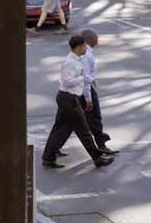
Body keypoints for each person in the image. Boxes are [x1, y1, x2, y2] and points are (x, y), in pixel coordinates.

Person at [41, 35, 114, 169]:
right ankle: (97, 158)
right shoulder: (71, 62)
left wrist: (88, 81)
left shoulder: (77, 60)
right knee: (84, 131)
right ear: (79, 47)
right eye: (85, 46)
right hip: (69, 99)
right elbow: (67, 82)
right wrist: (82, 79)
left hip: (66, 98)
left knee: (59, 129)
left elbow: (83, 78)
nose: (86, 48)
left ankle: (48, 158)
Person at [58, 30, 118, 157]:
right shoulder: (86, 55)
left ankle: (54, 147)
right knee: (94, 119)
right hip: (84, 92)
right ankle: (100, 147)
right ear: (90, 39)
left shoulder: (83, 54)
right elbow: (85, 78)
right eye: (96, 38)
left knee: (66, 123)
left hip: (72, 94)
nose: (98, 40)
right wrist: (89, 99)